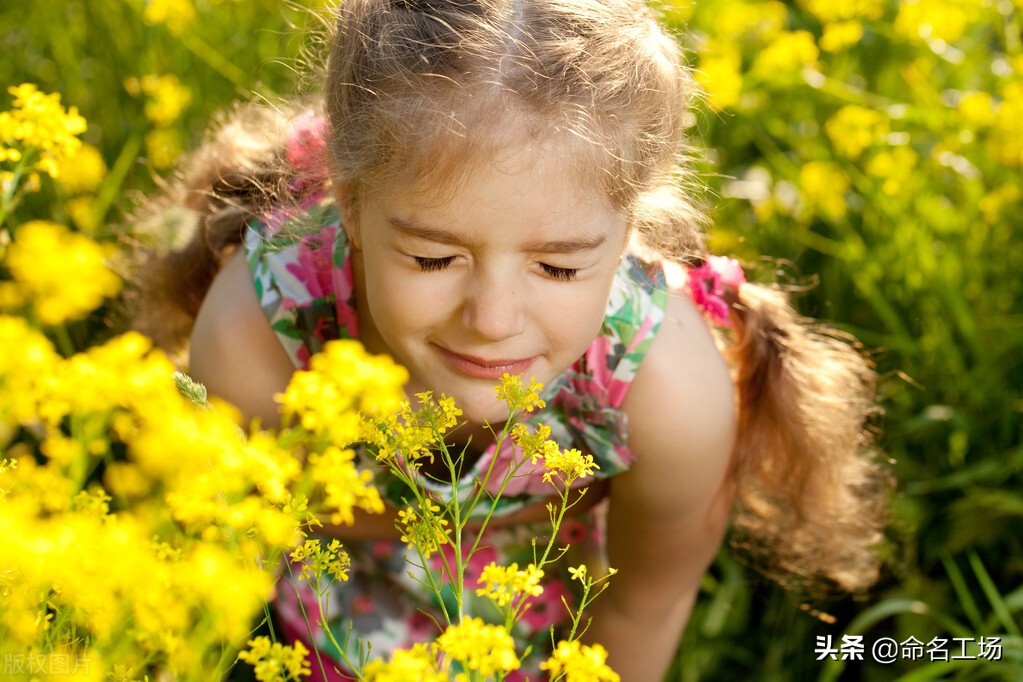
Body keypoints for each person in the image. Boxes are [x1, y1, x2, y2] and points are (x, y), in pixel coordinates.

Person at [132, 0, 891, 679]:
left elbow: (641, 611)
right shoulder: (263, 328)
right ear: (351, 204)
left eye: (558, 267)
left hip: (540, 633)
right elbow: (231, 542)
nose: (492, 319)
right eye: (433, 257)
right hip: (311, 626)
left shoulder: (665, 391)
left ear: (628, 233)